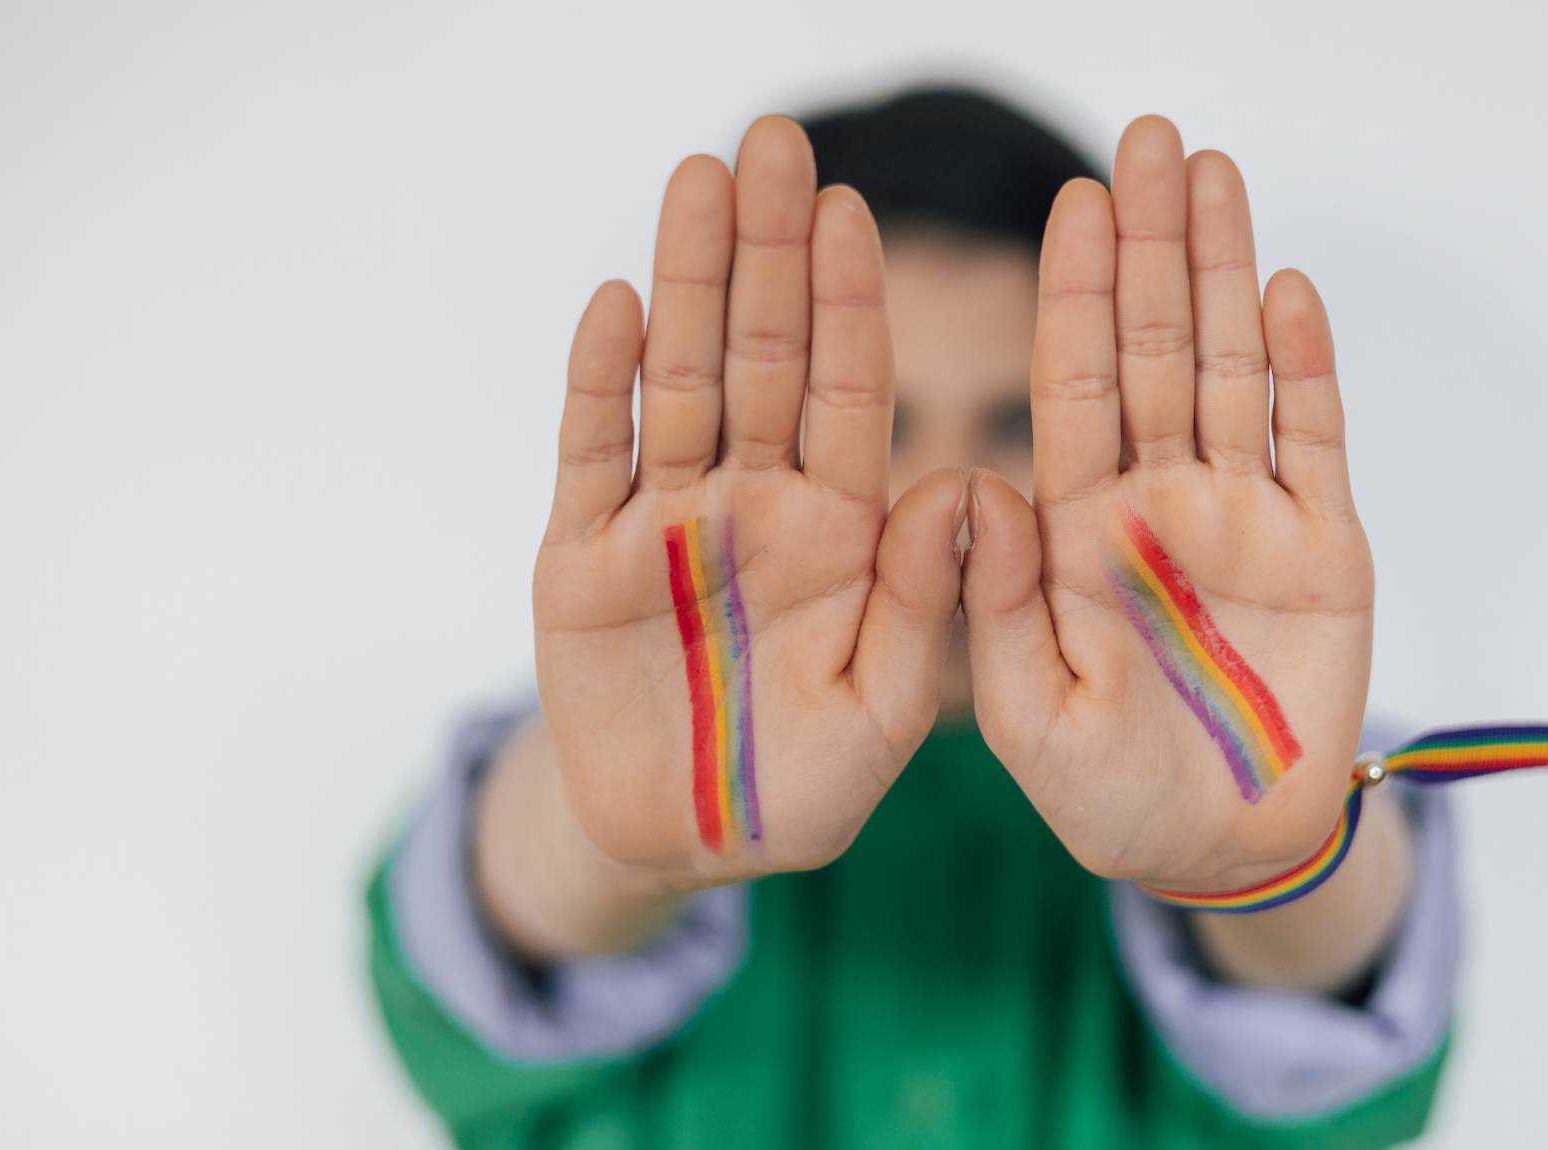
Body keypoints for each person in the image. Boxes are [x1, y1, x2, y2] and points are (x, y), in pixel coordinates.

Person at [367, 87, 1459, 1148]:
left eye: (1016, 419)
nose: (948, 500)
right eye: (876, 423)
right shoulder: (649, 740)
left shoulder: (1231, 731)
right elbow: (487, 943)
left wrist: (1252, 872)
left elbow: (1340, 1002)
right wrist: (613, 855)